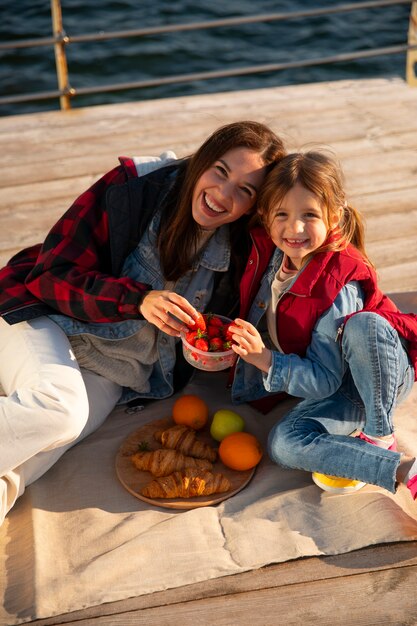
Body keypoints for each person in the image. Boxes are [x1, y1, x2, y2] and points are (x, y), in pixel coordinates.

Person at [0, 121, 286, 525]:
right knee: (59, 411)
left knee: (42, 447)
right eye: (220, 171)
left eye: (245, 190)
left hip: (113, 366)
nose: (223, 195)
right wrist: (137, 300)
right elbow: (49, 275)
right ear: (203, 159)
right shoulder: (132, 189)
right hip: (37, 318)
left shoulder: (241, 246)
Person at [229, 150, 417, 500]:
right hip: (343, 385)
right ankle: (398, 466)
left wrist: (264, 360)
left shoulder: (338, 284)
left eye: (309, 215)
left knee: (362, 325)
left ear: (334, 217)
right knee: (284, 443)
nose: (294, 228)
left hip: (382, 374)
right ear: (265, 216)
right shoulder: (273, 253)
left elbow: (324, 379)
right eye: (281, 214)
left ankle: (381, 436)